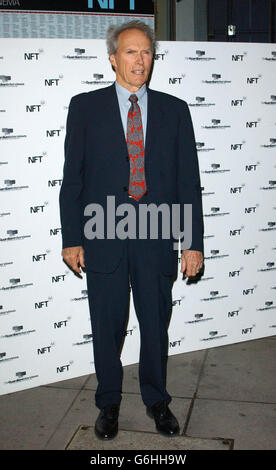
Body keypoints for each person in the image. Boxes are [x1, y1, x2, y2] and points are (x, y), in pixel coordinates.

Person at [59, 20, 204, 441]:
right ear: (113, 59)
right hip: (102, 233)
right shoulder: (84, 107)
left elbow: (188, 183)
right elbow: (74, 178)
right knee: (107, 324)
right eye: (130, 52)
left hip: (157, 235)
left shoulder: (175, 110)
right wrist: (72, 237)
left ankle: (157, 400)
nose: (140, 61)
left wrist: (191, 243)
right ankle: (108, 403)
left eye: (146, 53)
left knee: (156, 324)